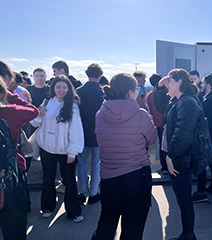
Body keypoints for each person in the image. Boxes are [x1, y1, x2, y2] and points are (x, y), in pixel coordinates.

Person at [92, 73, 156, 240]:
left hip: (108, 177)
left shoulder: (100, 114)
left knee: (106, 223)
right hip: (137, 176)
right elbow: (152, 138)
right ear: (129, 93)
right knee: (133, 228)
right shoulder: (140, 115)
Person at [154, 69, 201, 240]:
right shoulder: (176, 100)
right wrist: (159, 87)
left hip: (181, 159)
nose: (167, 84)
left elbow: (183, 134)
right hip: (176, 157)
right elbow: (160, 106)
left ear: (180, 82)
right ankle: (187, 233)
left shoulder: (188, 102)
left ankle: (188, 235)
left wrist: (170, 156)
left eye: (170, 82)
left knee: (184, 201)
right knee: (182, 200)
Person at [30, 75, 84, 223]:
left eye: (64, 87)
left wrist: (73, 151)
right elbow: (34, 123)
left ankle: (73, 212)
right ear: (53, 88)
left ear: (69, 89)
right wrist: (39, 115)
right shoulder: (47, 102)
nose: (61, 90)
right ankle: (47, 207)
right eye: (58, 87)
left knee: (69, 181)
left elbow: (76, 130)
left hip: (66, 151)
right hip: (47, 148)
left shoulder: (72, 105)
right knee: (48, 179)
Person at [0, 62, 39, 240]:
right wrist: (8, 95)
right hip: (9, 179)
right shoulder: (8, 112)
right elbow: (33, 111)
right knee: (13, 228)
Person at [76, 63, 104, 205]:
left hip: (81, 133)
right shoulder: (103, 92)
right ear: (100, 75)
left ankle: (82, 192)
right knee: (96, 163)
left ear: (87, 74)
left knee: (81, 163)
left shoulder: (79, 91)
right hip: (99, 133)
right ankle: (94, 193)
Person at [192, 74, 212, 203]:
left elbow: (204, 119)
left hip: (207, 135)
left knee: (203, 161)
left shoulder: (209, 101)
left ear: (208, 85)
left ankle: (201, 191)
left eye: (203, 83)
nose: (201, 85)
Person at [147, 73, 167, 174]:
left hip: (158, 124)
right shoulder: (167, 92)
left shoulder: (149, 96)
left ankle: (164, 168)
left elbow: (150, 111)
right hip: (167, 123)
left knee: (162, 146)